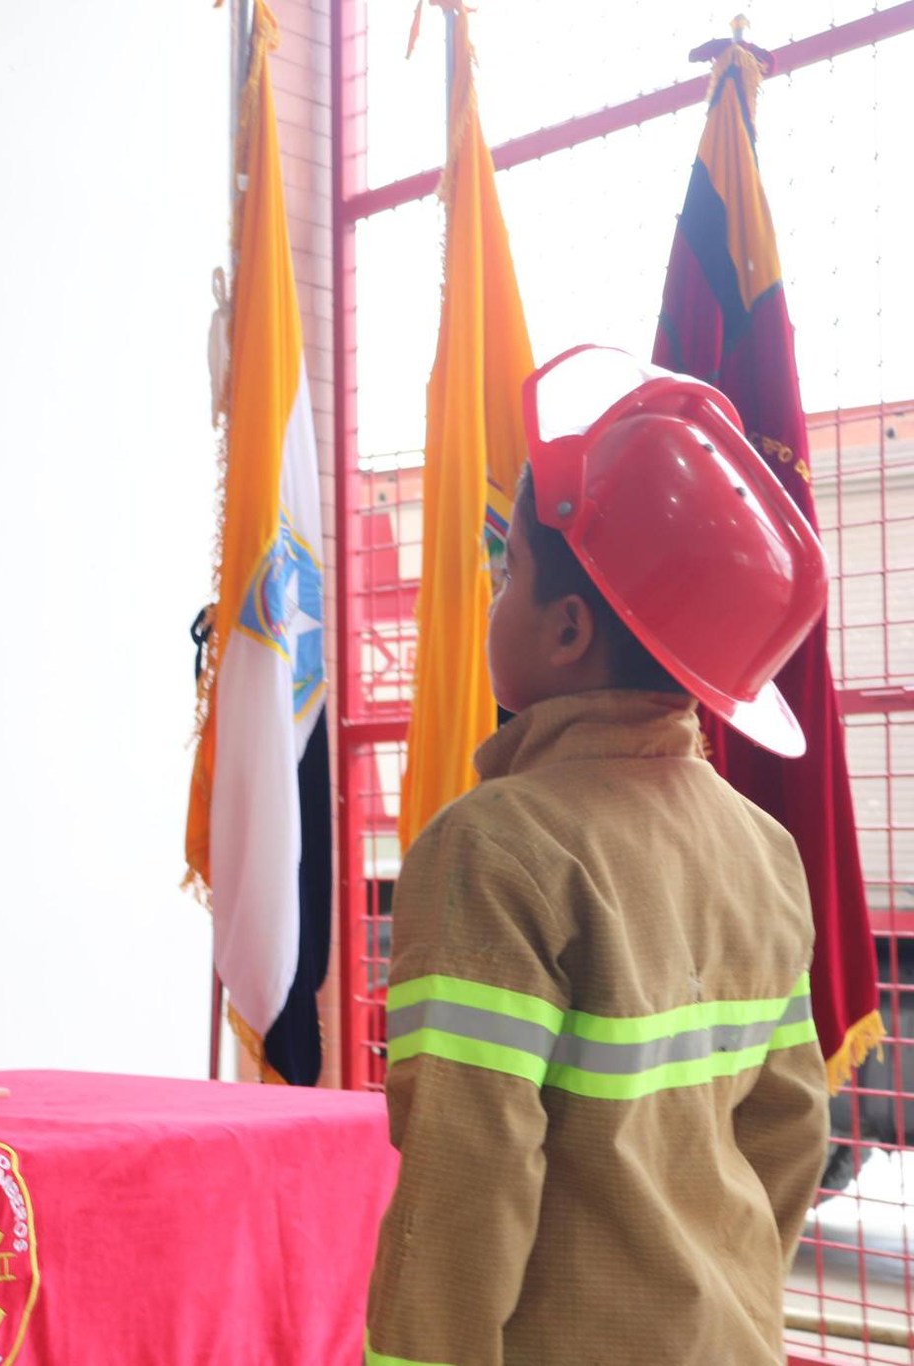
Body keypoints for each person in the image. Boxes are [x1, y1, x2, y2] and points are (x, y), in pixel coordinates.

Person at [365, 346, 831, 1366]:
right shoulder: (764, 851)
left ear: (568, 629)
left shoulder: (491, 849)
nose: (493, 598)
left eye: (508, 577)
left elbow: (462, 1183)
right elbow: (791, 1128)